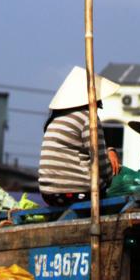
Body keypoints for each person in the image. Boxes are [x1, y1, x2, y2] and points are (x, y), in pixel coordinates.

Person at [38, 66, 119, 206]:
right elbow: (102, 165)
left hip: (47, 193)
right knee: (116, 191)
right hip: (76, 192)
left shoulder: (56, 118)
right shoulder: (88, 118)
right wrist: (116, 176)